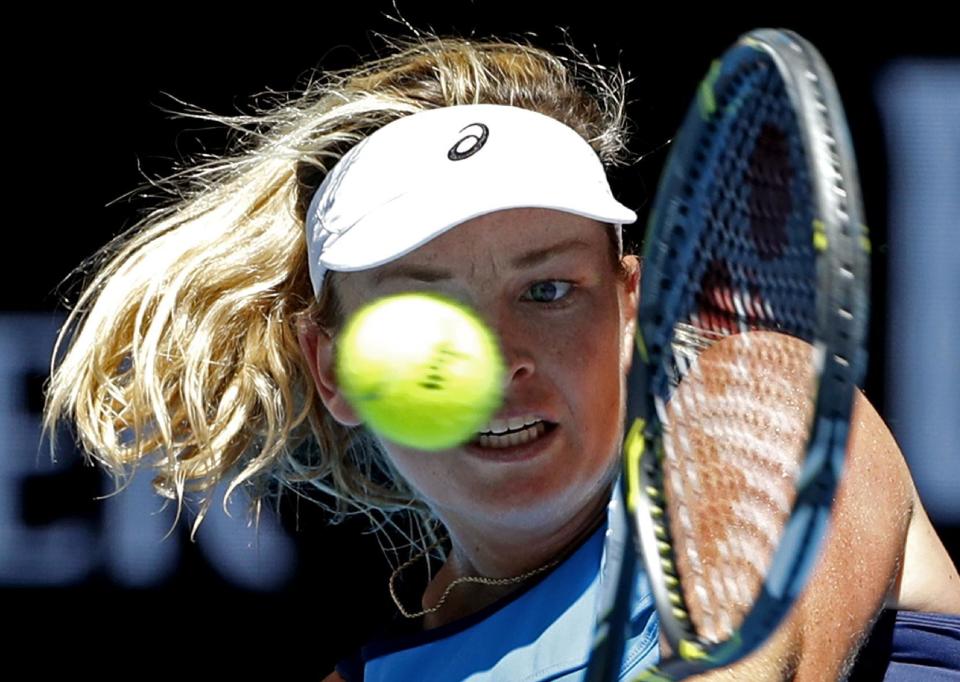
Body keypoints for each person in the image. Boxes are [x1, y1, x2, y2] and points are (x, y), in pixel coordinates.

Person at [42, 29, 959, 681]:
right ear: (336, 371)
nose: (498, 358)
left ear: (631, 306)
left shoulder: (760, 404)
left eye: (548, 291)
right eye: (424, 309)